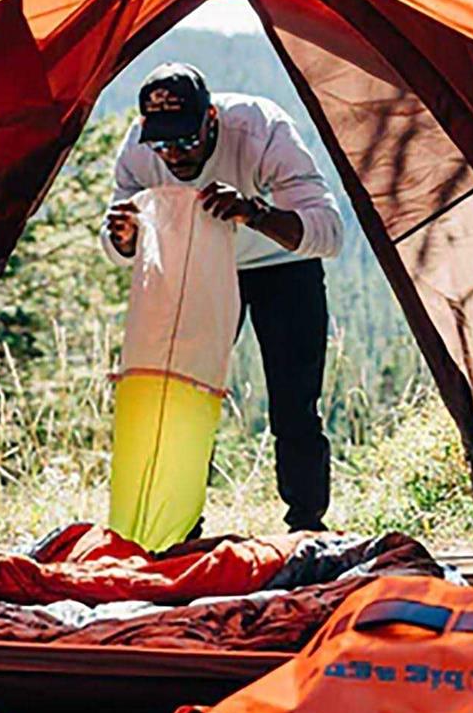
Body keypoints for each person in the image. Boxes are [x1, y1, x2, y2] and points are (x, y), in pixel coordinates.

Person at [101, 62, 344, 530]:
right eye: (162, 144)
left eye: (185, 141)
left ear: (211, 118)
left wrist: (255, 213)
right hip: (199, 267)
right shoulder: (138, 150)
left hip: (281, 264)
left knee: (294, 402)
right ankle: (178, 529)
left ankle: (306, 526)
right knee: (183, 396)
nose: (174, 155)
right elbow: (116, 245)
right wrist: (125, 238)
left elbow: (329, 233)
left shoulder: (261, 130)